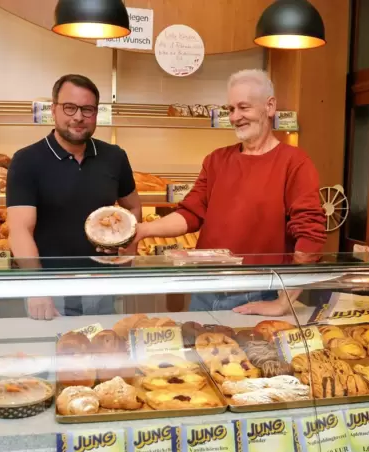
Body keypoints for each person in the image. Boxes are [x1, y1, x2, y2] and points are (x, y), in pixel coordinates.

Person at [124, 69, 326, 315]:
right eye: (231, 109)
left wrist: (284, 302)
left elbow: (310, 236)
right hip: (205, 289)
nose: (235, 117)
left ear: (270, 106)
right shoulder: (217, 160)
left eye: (244, 107)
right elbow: (190, 214)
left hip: (260, 291)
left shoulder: (294, 163)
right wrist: (142, 230)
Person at [7, 74, 141, 320]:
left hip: (103, 285)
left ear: (96, 114)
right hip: (52, 288)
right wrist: (37, 287)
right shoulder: (27, 160)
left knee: (105, 351)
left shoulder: (114, 156)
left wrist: (128, 250)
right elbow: (20, 229)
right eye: (70, 107)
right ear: (55, 110)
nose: (78, 117)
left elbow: (132, 206)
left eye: (87, 110)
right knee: (53, 354)